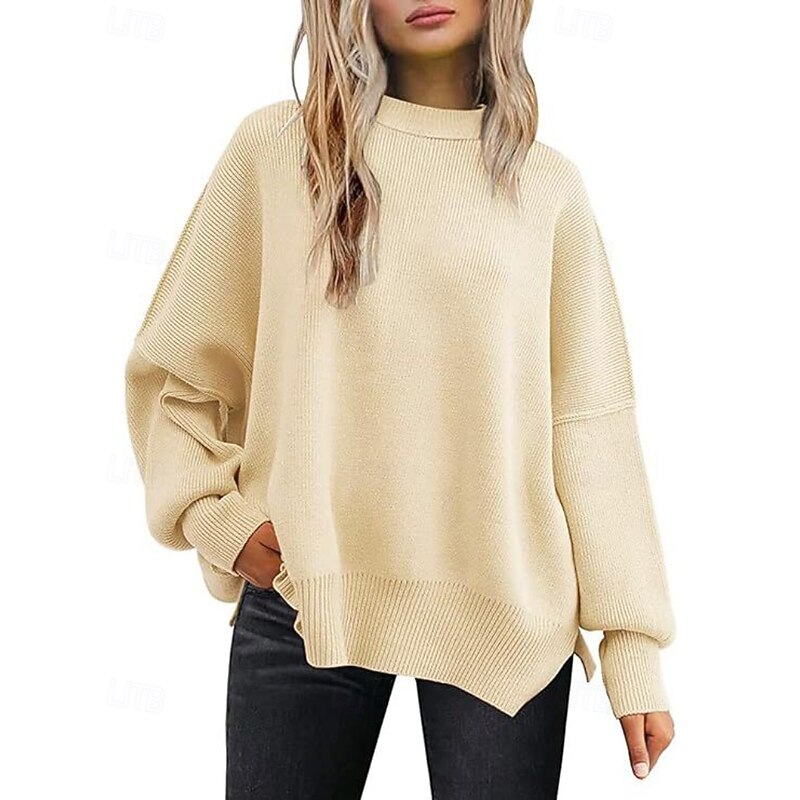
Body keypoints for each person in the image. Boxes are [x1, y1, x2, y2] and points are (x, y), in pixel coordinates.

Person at [124, 1, 677, 797]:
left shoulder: (548, 187)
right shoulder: (279, 151)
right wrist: (216, 517)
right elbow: (176, 372)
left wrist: (633, 647)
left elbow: (589, 424)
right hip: (306, 593)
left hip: (505, 613)